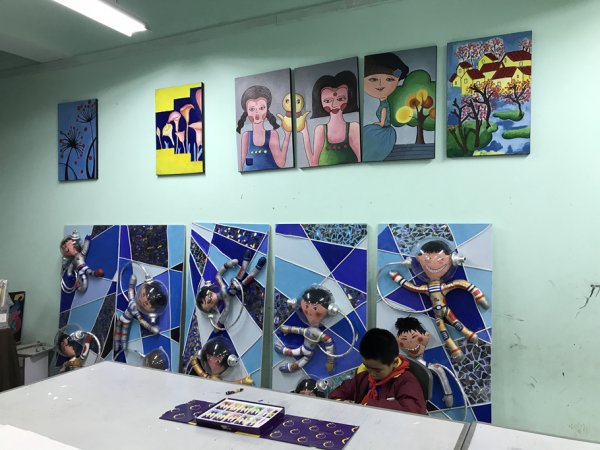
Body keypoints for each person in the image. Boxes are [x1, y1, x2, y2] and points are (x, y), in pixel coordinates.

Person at [328, 328, 426, 414]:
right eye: (367, 367)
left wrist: (369, 406)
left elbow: (414, 410)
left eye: (377, 370)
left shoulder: (406, 381)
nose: (371, 374)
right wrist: (342, 403)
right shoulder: (363, 377)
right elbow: (336, 394)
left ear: (394, 362)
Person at [299, 71, 361, 166]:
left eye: (340, 99)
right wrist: (305, 133)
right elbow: (313, 164)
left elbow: (361, 161)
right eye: (327, 101)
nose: (334, 105)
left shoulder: (354, 127)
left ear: (349, 98)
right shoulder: (320, 129)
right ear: (320, 102)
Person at [196, 249, 266, 330]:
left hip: (235, 280)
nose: (210, 298)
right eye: (209, 302)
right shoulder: (226, 301)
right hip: (240, 286)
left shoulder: (221, 286)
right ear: (212, 308)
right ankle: (258, 267)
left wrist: (229, 264)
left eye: (208, 296)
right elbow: (225, 312)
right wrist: (218, 325)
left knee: (243, 270)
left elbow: (218, 275)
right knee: (249, 277)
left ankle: (246, 261)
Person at [363, 52, 409, 161]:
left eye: (389, 79)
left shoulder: (384, 104)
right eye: (373, 79)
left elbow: (384, 114)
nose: (380, 85)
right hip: (384, 128)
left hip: (385, 131)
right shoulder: (383, 103)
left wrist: (380, 123)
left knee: (368, 134)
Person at [236, 85, 291, 172]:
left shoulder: (272, 134)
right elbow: (242, 166)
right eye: (252, 109)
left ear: (266, 110)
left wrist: (287, 136)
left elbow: (281, 163)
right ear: (247, 112)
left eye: (261, 108)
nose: (257, 113)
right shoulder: (246, 136)